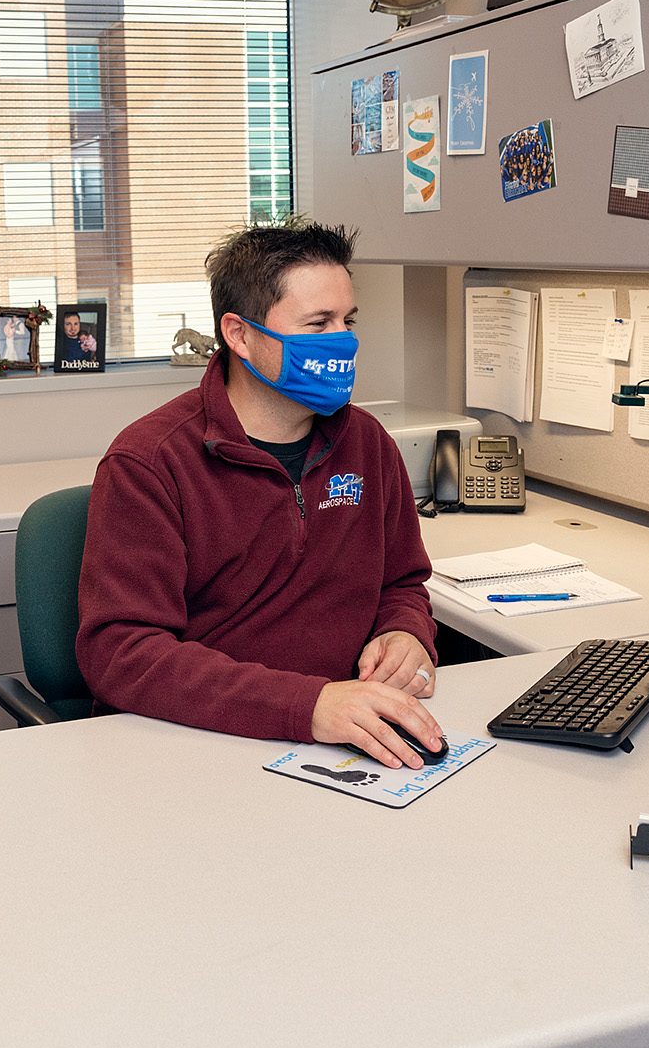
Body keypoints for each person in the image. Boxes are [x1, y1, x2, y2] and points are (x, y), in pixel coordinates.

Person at [75, 220, 445, 769]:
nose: (341, 342)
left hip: (348, 735)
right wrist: (306, 705)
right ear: (240, 334)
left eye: (348, 321)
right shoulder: (149, 462)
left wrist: (406, 633)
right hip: (201, 746)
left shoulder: (367, 443)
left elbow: (402, 583)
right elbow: (121, 654)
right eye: (318, 324)